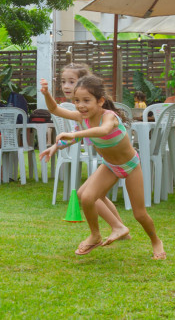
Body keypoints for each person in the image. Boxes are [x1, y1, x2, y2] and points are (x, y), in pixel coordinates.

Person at [39, 75, 165, 259]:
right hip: (110, 166)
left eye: (86, 101)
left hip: (130, 166)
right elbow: (55, 109)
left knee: (139, 214)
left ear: (100, 101)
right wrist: (47, 94)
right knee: (87, 196)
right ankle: (97, 234)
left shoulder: (109, 117)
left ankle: (155, 241)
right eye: (77, 101)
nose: (81, 105)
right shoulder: (83, 118)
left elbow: (103, 131)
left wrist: (74, 134)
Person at [53, 63, 132, 246]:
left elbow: (100, 131)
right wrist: (56, 146)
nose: (66, 87)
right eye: (63, 82)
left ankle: (116, 228)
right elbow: (71, 135)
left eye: (71, 82)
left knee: (89, 195)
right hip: (109, 161)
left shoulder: (100, 114)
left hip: (118, 161)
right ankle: (121, 229)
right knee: (95, 195)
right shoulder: (82, 112)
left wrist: (74, 135)